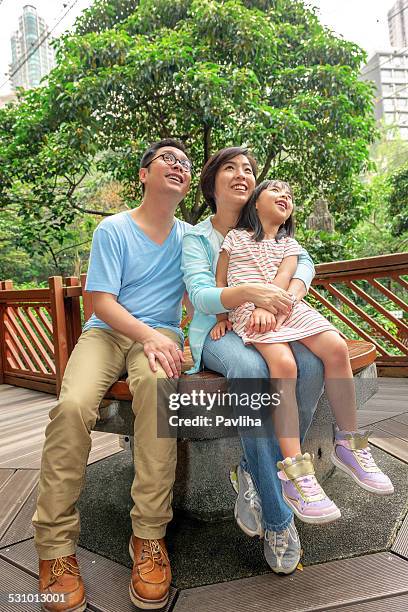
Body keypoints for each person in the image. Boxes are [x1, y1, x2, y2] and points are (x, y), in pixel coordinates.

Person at [33, 139, 194, 611]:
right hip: (107, 333)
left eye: (185, 164)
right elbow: (100, 302)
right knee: (71, 406)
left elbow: (197, 298)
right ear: (144, 174)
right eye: (167, 159)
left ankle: (148, 535)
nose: (178, 166)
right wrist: (150, 336)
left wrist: (198, 336)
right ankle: (55, 548)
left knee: (159, 393)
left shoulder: (191, 237)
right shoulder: (114, 229)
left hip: (161, 338)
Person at [211, 178, 394, 525]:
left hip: (284, 307)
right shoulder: (234, 238)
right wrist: (222, 317)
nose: (285, 196)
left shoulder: (290, 244)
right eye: (276, 190)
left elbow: (285, 276)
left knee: (335, 347)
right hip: (251, 311)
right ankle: (295, 470)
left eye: (290, 195)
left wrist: (273, 304)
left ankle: (349, 442)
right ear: (255, 201)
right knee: (284, 364)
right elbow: (220, 283)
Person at [181, 147, 325, 575]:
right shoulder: (197, 237)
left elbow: (306, 265)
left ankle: (251, 467)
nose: (242, 175)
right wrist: (249, 295)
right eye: (230, 168)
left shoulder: (269, 230)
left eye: (249, 169)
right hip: (218, 332)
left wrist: (284, 299)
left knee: (313, 364)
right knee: (252, 370)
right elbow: (203, 294)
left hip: (269, 326)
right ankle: (280, 520)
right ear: (212, 184)